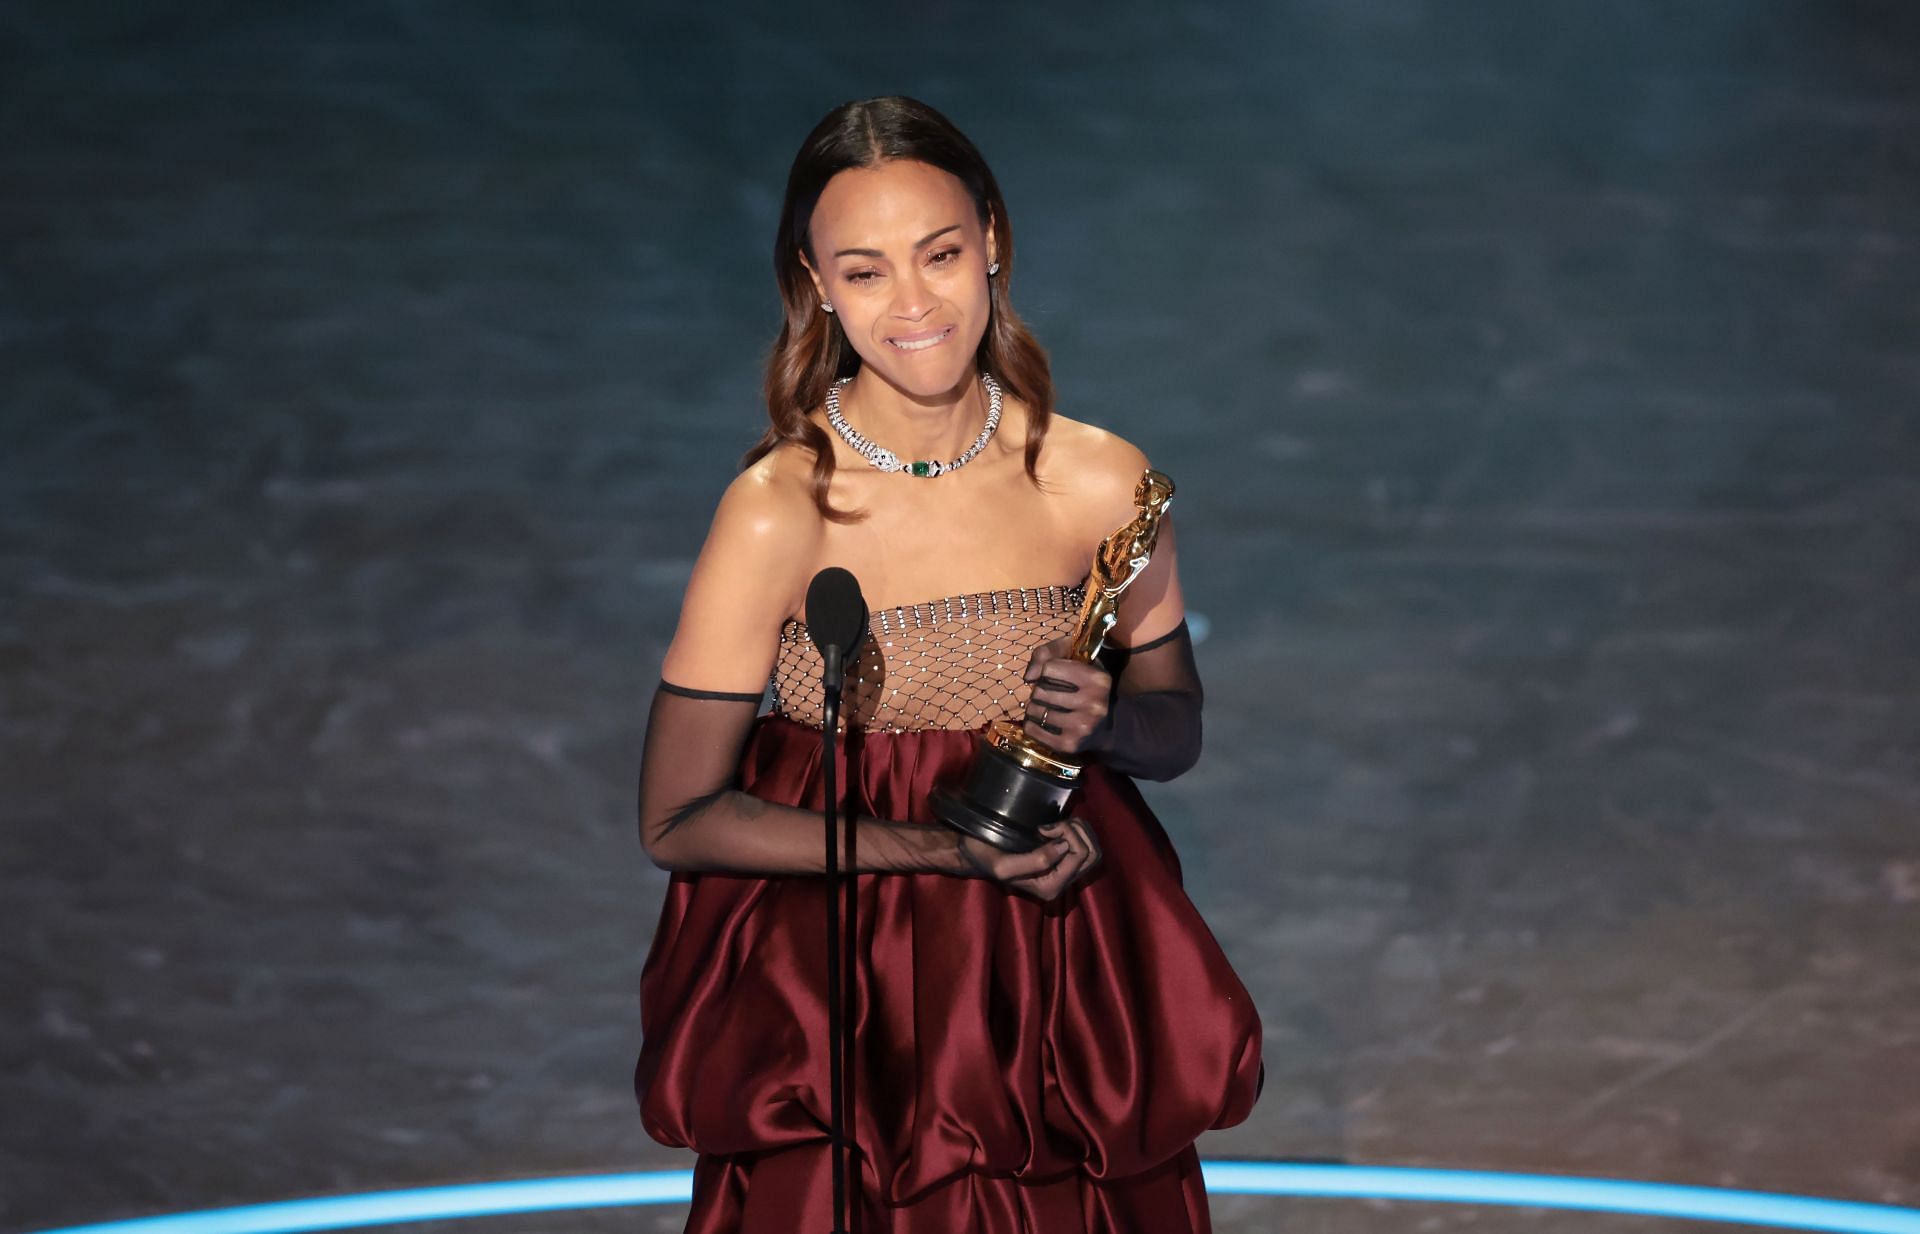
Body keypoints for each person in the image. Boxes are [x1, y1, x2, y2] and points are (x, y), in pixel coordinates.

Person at [633, 96, 1263, 1234]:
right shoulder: (780, 513)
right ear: (816, 284)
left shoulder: (1101, 481)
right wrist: (943, 851)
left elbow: (1176, 728)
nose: (914, 303)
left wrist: (1108, 719)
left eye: (941, 254)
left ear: (993, 246)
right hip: (845, 1008)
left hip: (1061, 979)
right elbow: (679, 817)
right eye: (865, 271)